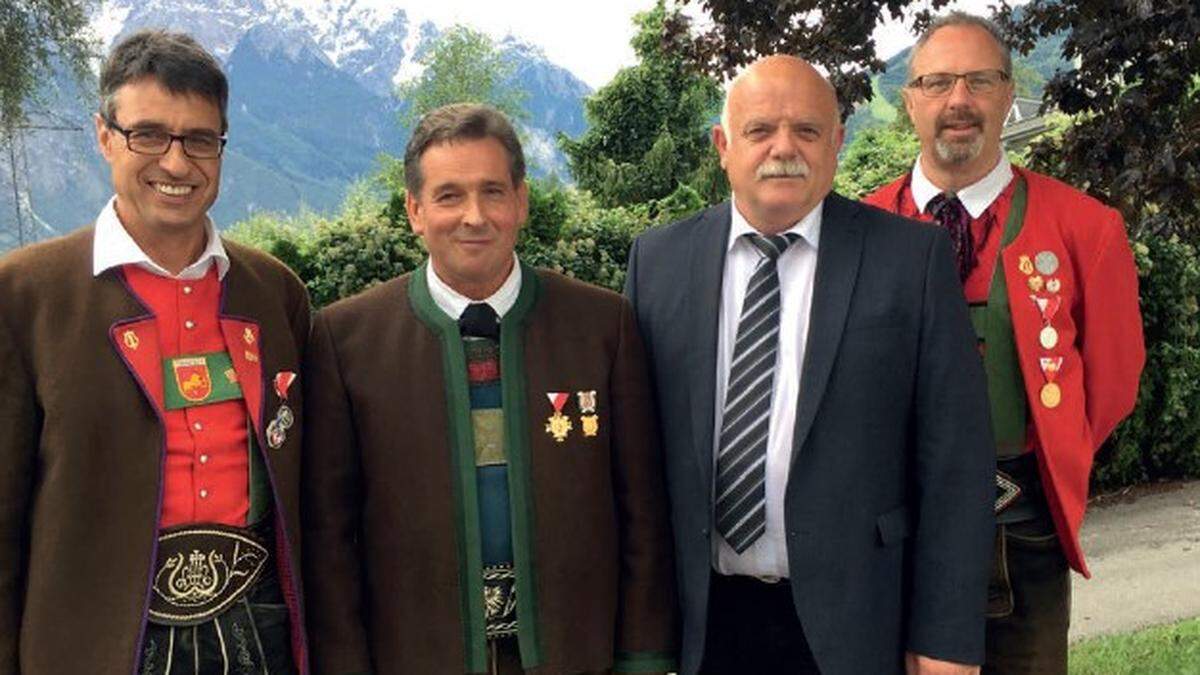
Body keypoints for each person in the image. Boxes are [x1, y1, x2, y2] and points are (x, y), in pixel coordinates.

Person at [625, 54, 996, 675]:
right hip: (704, 624)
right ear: (723, 145)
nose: (783, 149)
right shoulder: (657, 262)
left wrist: (946, 640)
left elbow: (956, 464)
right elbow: (635, 462)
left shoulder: (909, 259)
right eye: (760, 130)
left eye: (806, 130)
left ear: (837, 143)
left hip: (857, 622)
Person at [302, 102, 677, 675]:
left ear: (521, 202)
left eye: (493, 192)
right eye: (449, 195)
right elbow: (331, 539)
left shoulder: (604, 326)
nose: (474, 216)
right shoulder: (345, 338)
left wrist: (644, 659)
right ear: (415, 210)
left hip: (576, 656)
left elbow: (643, 515)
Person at [0, 29, 310, 674]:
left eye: (200, 139)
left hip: (262, 624)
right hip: (96, 632)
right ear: (105, 135)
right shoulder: (25, 295)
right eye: (149, 134)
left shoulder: (274, 292)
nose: (176, 163)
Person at [863, 12, 1145, 674]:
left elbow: (1111, 384)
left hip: (1024, 532)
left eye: (979, 80)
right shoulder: (860, 229)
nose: (958, 100)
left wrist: (1046, 447)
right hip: (889, 535)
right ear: (910, 101)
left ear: (1008, 91)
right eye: (937, 82)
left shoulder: (1086, 227)